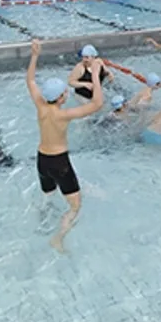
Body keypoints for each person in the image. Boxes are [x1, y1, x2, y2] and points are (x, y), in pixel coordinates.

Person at [26, 39, 104, 252]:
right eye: (64, 93)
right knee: (75, 206)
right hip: (60, 162)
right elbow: (97, 104)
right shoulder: (64, 115)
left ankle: (42, 215)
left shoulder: (41, 106)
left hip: (41, 159)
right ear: (61, 98)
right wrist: (95, 75)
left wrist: (34, 55)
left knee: (48, 194)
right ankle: (58, 238)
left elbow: (31, 81)